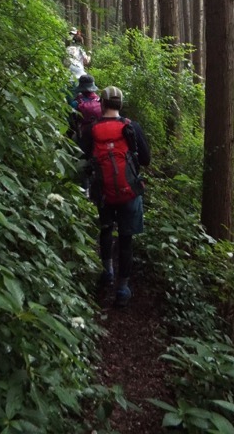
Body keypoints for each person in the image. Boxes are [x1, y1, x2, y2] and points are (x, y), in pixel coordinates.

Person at [80, 86, 151, 308]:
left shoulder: (93, 129)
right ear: (120, 104)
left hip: (103, 191)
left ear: (102, 103)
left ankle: (108, 271)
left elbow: (84, 159)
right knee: (126, 239)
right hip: (130, 191)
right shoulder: (131, 127)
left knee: (106, 229)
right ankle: (122, 288)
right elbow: (146, 159)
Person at [69, 74, 102, 142]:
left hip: (83, 133)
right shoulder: (99, 99)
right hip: (100, 131)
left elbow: (72, 119)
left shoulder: (76, 102)